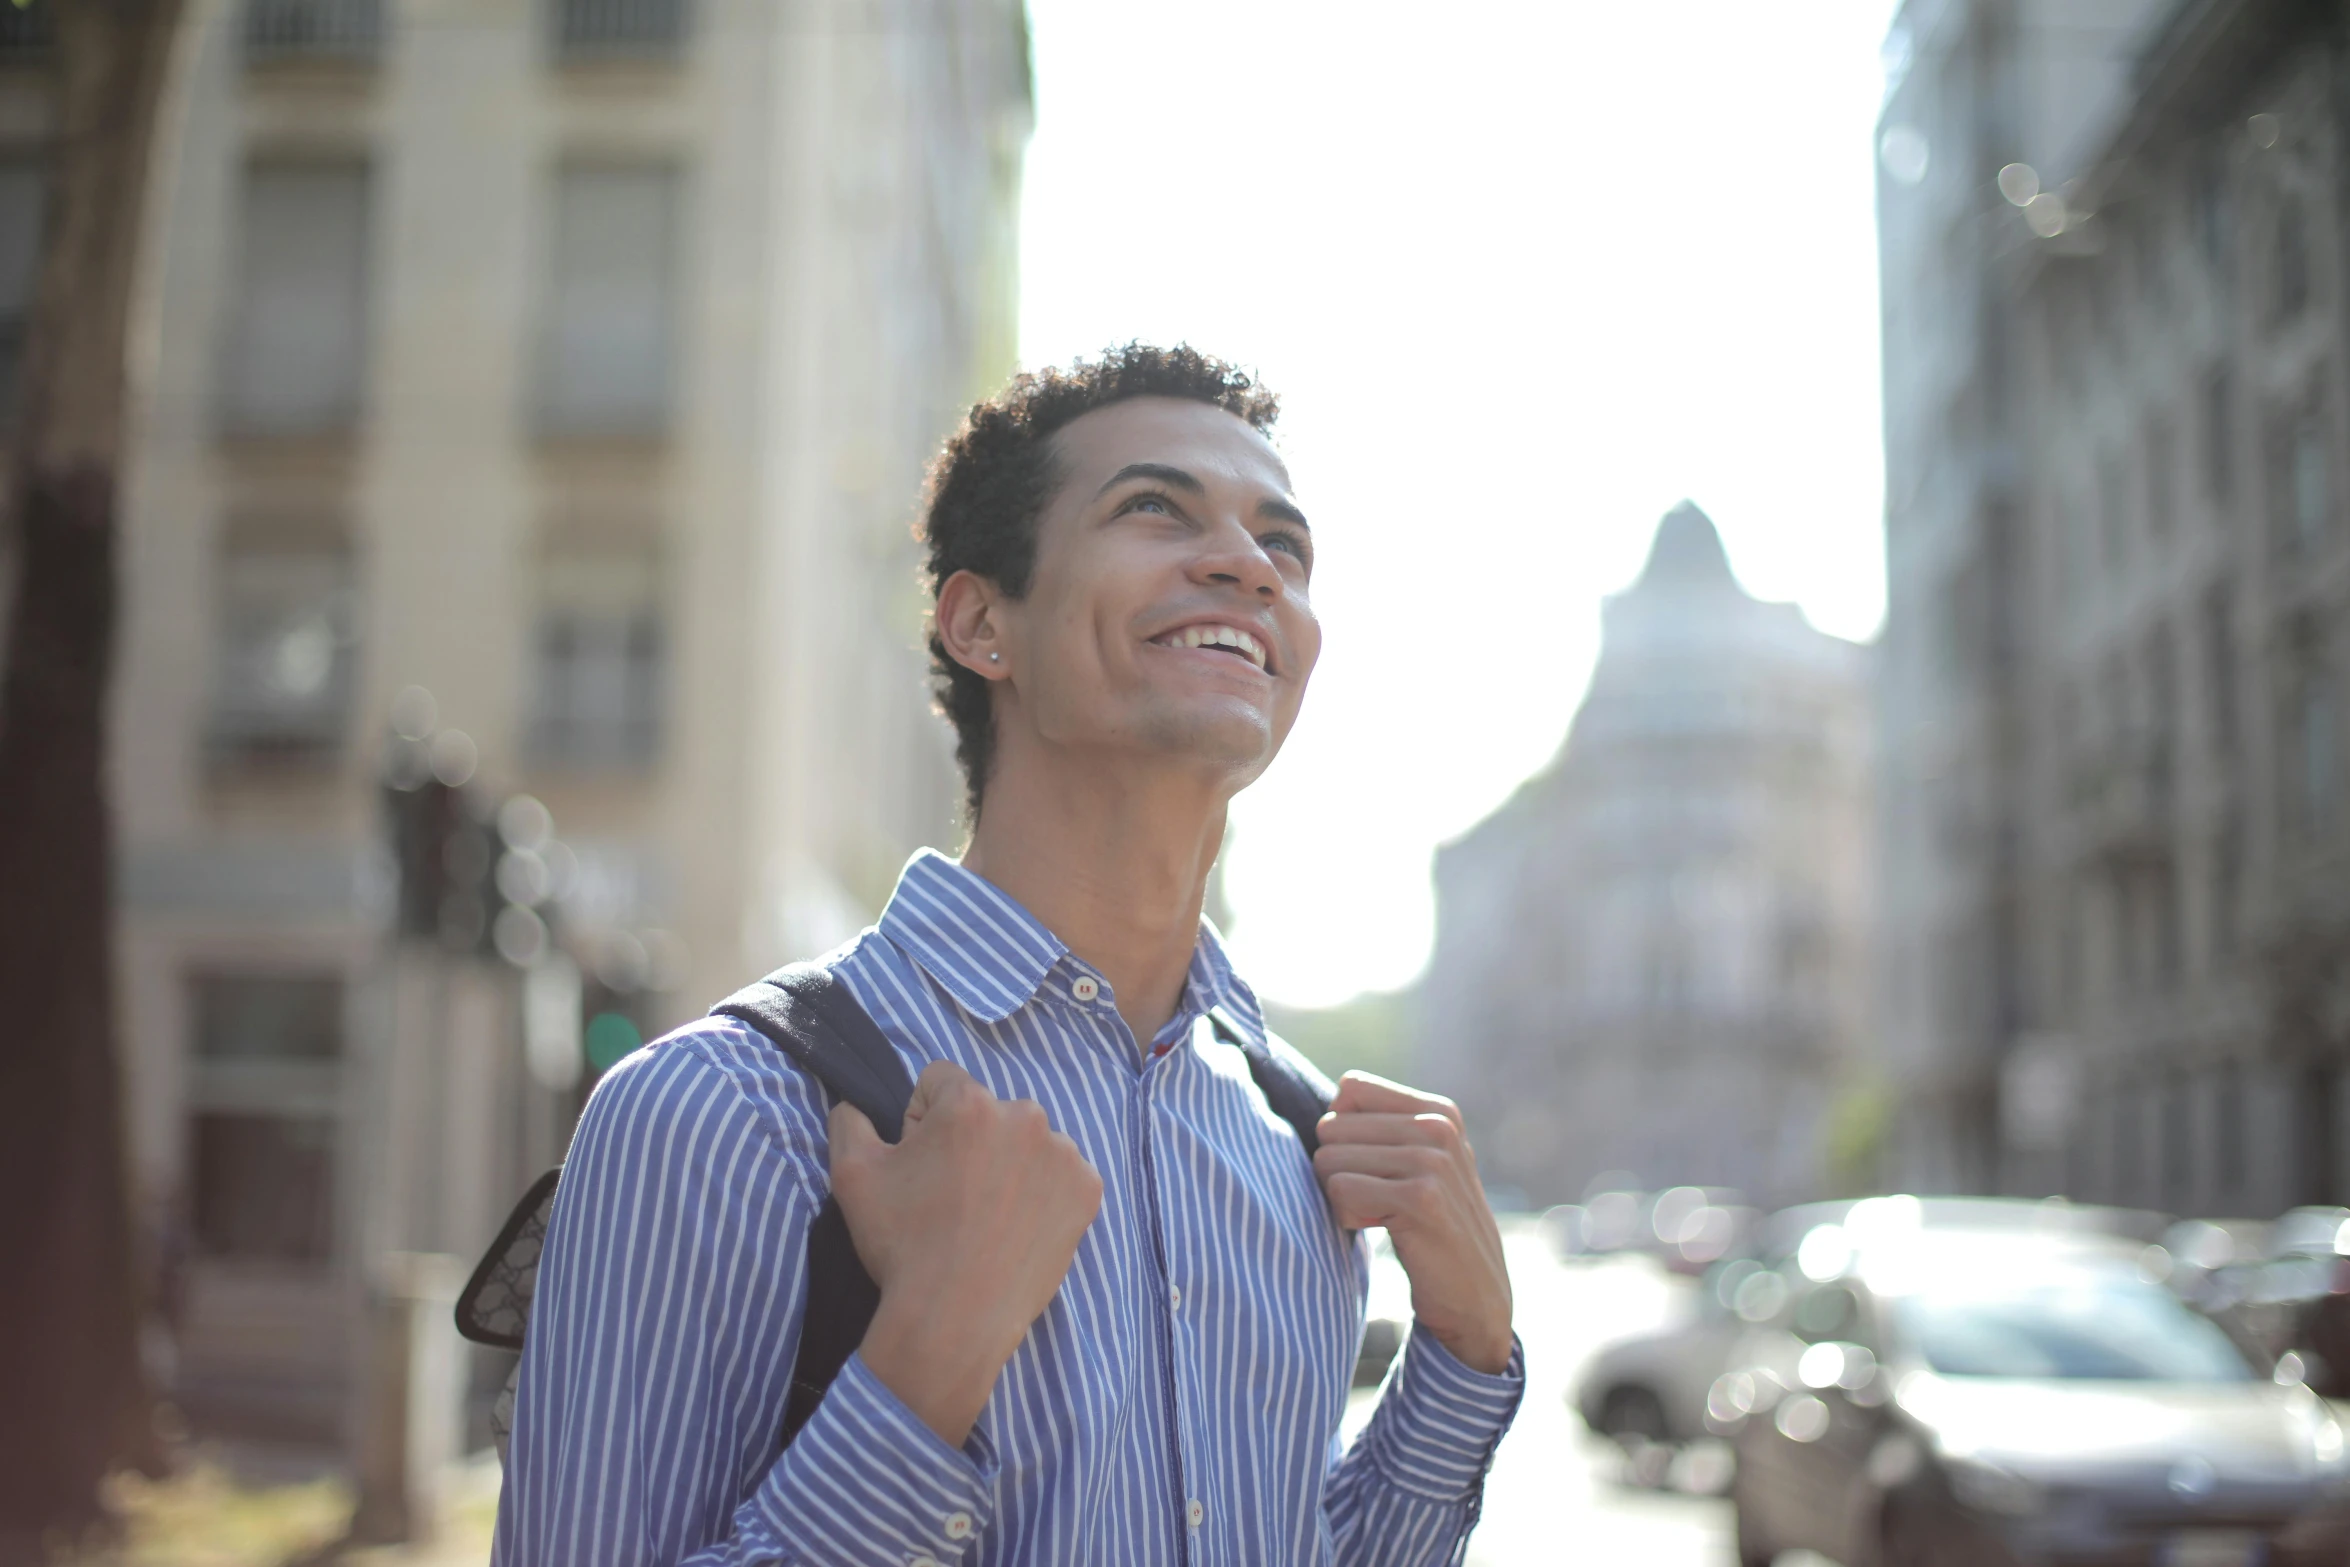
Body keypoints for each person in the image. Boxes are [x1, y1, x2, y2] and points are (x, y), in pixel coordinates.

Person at [494, 344, 1523, 1567]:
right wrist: (923, 1358)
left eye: (1283, 547)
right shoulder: (716, 1113)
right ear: (983, 622)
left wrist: (1463, 1357)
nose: (1246, 565)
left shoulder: (1295, 1151)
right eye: (1154, 507)